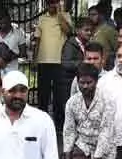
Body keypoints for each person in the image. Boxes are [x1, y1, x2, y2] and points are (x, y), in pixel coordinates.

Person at [34, 0, 71, 132]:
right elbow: (38, 40)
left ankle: (59, 125)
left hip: (59, 62)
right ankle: (42, 124)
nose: (51, 6)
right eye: (49, 3)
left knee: (59, 96)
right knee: (43, 95)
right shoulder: (42, 19)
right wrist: (35, 58)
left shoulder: (65, 16)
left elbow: (68, 31)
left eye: (54, 3)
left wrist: (60, 14)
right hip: (43, 61)